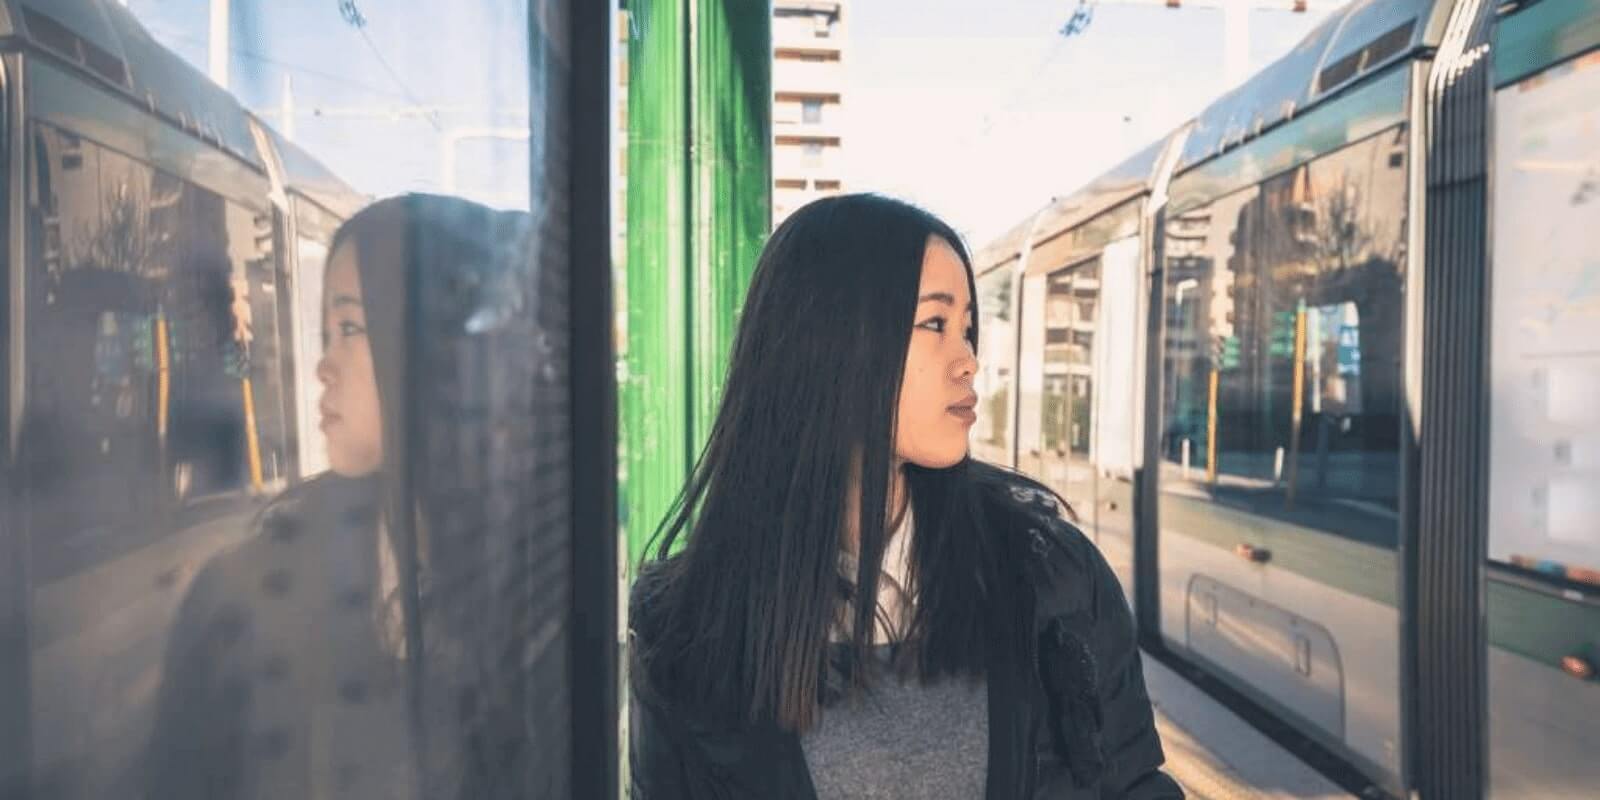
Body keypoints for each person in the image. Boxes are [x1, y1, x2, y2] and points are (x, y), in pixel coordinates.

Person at [628, 193, 1184, 799]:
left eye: (968, 330)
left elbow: (1136, 784)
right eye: (935, 325)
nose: (969, 362)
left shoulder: (1051, 573)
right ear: (827, 343)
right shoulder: (685, 629)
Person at [143, 194, 534, 799]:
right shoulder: (247, 593)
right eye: (326, 333)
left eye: (351, 328)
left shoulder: (534, 585)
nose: (322, 367)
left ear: (436, 351)